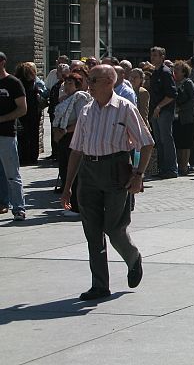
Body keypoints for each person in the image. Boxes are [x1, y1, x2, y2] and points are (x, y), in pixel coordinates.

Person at [61, 64, 154, 301]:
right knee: (92, 232)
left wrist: (139, 175)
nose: (88, 84)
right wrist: (68, 185)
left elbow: (146, 142)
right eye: (88, 80)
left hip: (116, 170)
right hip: (89, 172)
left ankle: (133, 258)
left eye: (92, 80)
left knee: (114, 228)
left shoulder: (125, 108)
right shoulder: (86, 111)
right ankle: (100, 284)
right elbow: (76, 151)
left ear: (108, 82)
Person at [51, 73, 92, 214]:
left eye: (70, 83)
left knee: (73, 171)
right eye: (66, 83)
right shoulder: (65, 99)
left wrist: (65, 131)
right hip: (63, 138)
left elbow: (82, 120)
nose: (67, 86)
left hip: (73, 137)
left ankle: (76, 206)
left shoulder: (79, 98)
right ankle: (70, 203)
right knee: (64, 169)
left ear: (77, 85)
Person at [0, 52, 27, 221]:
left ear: (2, 62)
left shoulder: (13, 83)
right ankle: (3, 203)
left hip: (6, 134)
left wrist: (2, 119)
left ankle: (19, 208)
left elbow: (22, 109)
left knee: (11, 173)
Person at [148, 47, 178, 179]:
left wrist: (159, 107)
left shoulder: (165, 72)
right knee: (159, 141)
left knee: (166, 139)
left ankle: (171, 169)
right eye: (152, 55)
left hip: (164, 110)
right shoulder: (154, 72)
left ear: (162, 57)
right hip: (155, 111)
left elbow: (172, 94)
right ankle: (162, 168)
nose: (153, 57)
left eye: (155, 55)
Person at [14, 62, 47, 166]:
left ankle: (27, 157)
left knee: (26, 136)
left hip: (29, 113)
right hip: (31, 113)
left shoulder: (23, 83)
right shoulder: (30, 84)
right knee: (30, 136)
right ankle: (31, 157)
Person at [173, 61, 194, 176]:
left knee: (185, 143)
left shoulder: (188, 83)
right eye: (174, 68)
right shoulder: (172, 82)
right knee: (177, 142)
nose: (175, 71)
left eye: (177, 69)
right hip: (174, 118)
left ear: (184, 72)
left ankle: (184, 166)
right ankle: (179, 165)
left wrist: (181, 108)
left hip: (186, 118)